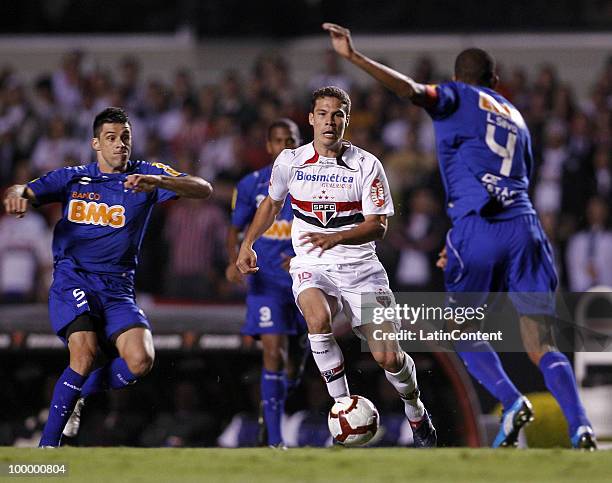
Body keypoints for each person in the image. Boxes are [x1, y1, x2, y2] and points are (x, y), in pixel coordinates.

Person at [322, 23, 597, 449]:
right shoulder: (517, 117)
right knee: (541, 340)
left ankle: (510, 401)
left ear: (457, 78)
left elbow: (412, 89)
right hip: (526, 228)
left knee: (459, 328)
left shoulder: (457, 97)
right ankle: (581, 428)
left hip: (479, 229)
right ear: (496, 81)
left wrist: (355, 58)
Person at [236, 86, 436, 447]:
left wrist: (337, 238)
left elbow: (378, 225)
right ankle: (343, 405)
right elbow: (270, 205)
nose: (330, 121)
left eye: (337, 114)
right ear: (311, 119)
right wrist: (247, 243)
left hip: (361, 267)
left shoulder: (366, 164)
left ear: (346, 119)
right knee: (317, 319)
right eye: (323, 114)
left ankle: (415, 408)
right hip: (312, 262)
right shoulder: (290, 161)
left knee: (388, 357)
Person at [2, 107, 212, 447]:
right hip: (75, 281)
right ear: (95, 143)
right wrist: (16, 195)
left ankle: (75, 396)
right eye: (111, 138)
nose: (120, 145)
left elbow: (203, 188)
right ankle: (45, 452)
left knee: (141, 360)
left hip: (118, 291)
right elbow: (22, 189)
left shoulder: (146, 175)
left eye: (125, 138)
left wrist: (158, 182)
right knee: (83, 355)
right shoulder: (73, 177)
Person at [226, 118, 310, 448]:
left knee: (295, 365)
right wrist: (234, 259)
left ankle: (268, 410)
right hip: (267, 284)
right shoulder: (250, 185)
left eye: (290, 140)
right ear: (268, 146)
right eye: (278, 141)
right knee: (273, 353)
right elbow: (234, 229)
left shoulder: (315, 182)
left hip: (305, 281)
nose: (284, 146)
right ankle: (274, 441)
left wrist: (305, 253)